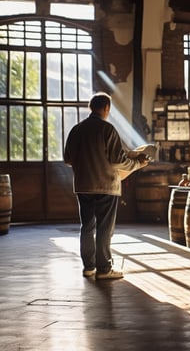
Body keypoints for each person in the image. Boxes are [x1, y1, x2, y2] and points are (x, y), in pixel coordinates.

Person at [64, 92, 149, 280]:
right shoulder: (107, 129)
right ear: (106, 108)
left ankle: (88, 267)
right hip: (105, 186)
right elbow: (119, 160)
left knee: (86, 226)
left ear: (90, 107)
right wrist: (137, 164)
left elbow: (67, 159)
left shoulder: (76, 130)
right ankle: (104, 269)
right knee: (104, 228)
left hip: (83, 186)